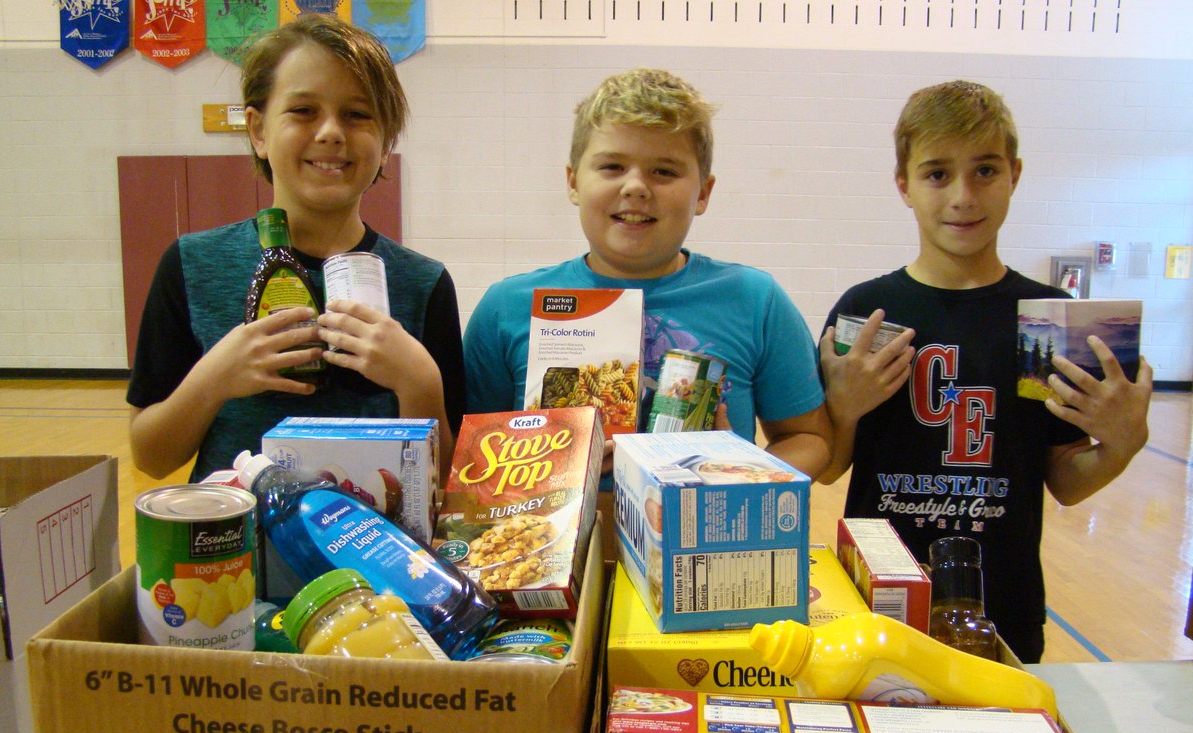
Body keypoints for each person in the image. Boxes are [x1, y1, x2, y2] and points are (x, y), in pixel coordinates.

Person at [817, 80, 1153, 662]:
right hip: (876, 601)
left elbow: (1068, 481)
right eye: (937, 174)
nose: (964, 197)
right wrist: (842, 410)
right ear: (904, 185)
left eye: (986, 171)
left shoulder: (1049, 318)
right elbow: (829, 468)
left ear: (1015, 175)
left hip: (1004, 607)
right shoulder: (867, 310)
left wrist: (1124, 441)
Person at [127, 14, 463, 483]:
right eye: (304, 111)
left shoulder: (423, 284)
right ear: (258, 131)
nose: (330, 132)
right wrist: (214, 378)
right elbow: (151, 455)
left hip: (377, 551)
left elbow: (447, 481)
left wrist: (419, 382)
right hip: (236, 552)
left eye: (358, 114)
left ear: (386, 142)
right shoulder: (191, 265)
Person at [463, 67, 831, 481]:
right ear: (572, 182)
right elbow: (473, 457)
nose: (636, 186)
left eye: (664, 171)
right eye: (612, 166)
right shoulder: (507, 307)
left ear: (703, 193)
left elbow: (809, 437)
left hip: (700, 540)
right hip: (554, 539)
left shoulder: (754, 300)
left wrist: (742, 474)